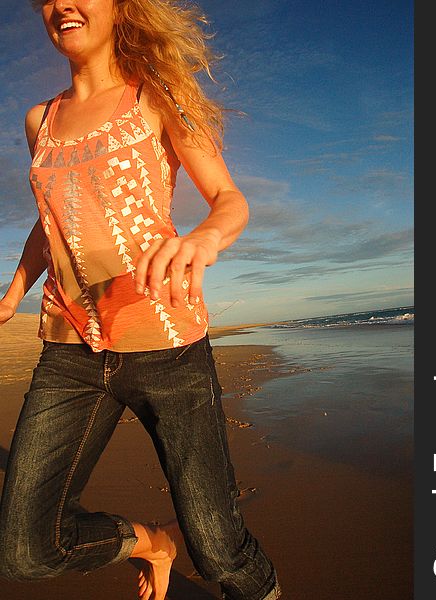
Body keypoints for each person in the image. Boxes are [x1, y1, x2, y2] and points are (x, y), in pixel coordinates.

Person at [0, 1, 281, 599]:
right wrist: (14, 289)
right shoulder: (38, 121)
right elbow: (51, 217)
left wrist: (204, 236)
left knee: (219, 549)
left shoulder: (157, 94)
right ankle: (153, 542)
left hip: (166, 346)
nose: (60, 5)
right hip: (68, 350)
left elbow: (229, 199)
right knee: (26, 549)